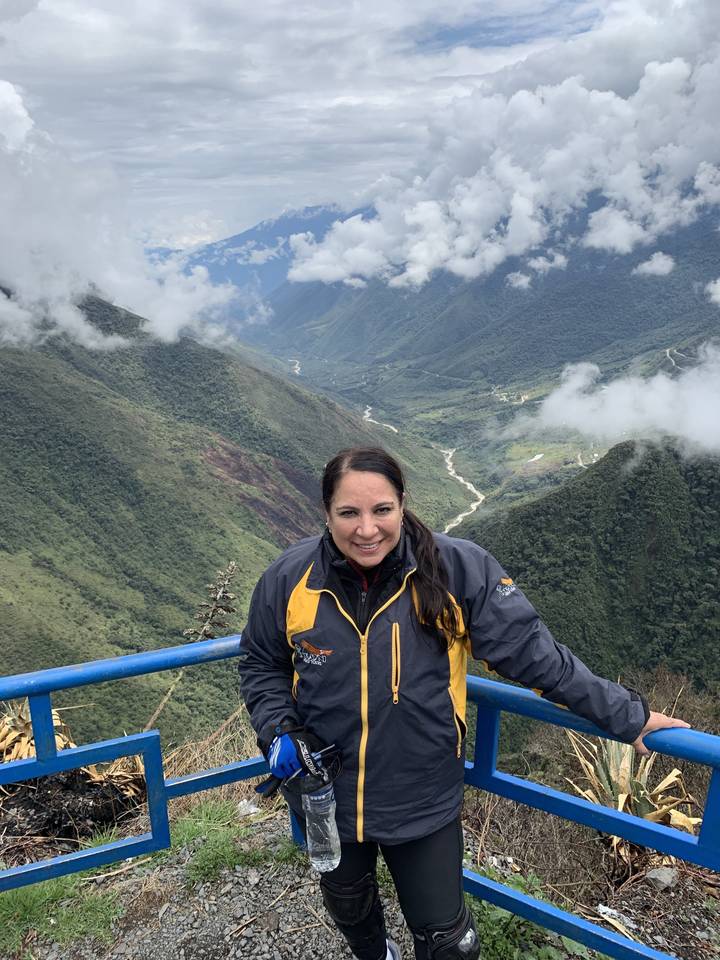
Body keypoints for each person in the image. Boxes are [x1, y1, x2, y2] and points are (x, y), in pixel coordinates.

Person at [238, 446, 690, 960]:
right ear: (326, 512)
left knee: (449, 944)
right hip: (326, 791)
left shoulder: (456, 570)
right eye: (348, 513)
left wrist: (628, 715)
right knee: (349, 905)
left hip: (422, 796)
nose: (366, 529)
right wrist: (279, 730)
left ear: (403, 504)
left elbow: (535, 657)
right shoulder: (290, 579)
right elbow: (261, 663)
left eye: (382, 510)